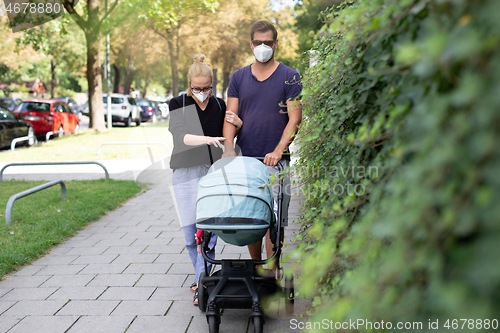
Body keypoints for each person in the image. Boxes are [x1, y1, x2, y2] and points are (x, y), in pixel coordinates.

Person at [222, 20, 302, 266]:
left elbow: (295, 119)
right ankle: (256, 269)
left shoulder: (290, 77)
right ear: (251, 44)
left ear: (276, 44)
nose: (263, 46)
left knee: (274, 220)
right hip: (247, 160)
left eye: (268, 42)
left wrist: (278, 151)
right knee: (251, 219)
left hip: (276, 163)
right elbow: (230, 117)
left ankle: (272, 268)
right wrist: (228, 149)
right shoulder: (239, 77)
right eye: (259, 42)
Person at [169, 54, 242, 305]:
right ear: (189, 84)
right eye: (197, 88)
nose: (202, 92)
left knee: (208, 231)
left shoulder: (220, 105)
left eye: (206, 88)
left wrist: (239, 124)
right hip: (185, 172)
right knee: (191, 235)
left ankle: (203, 281)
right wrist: (207, 139)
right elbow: (181, 138)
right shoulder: (177, 103)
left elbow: (230, 135)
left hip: (212, 172)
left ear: (212, 84)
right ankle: (202, 275)